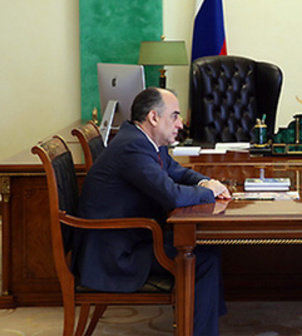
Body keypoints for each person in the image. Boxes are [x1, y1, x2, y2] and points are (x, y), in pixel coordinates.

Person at [75, 87, 231, 336]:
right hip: (115, 254)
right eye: (175, 116)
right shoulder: (132, 148)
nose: (180, 124)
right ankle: (200, 329)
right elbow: (172, 195)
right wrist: (209, 192)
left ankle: (202, 324)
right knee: (203, 258)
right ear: (153, 117)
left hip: (130, 237)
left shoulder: (147, 142)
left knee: (206, 248)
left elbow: (177, 172)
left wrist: (204, 183)